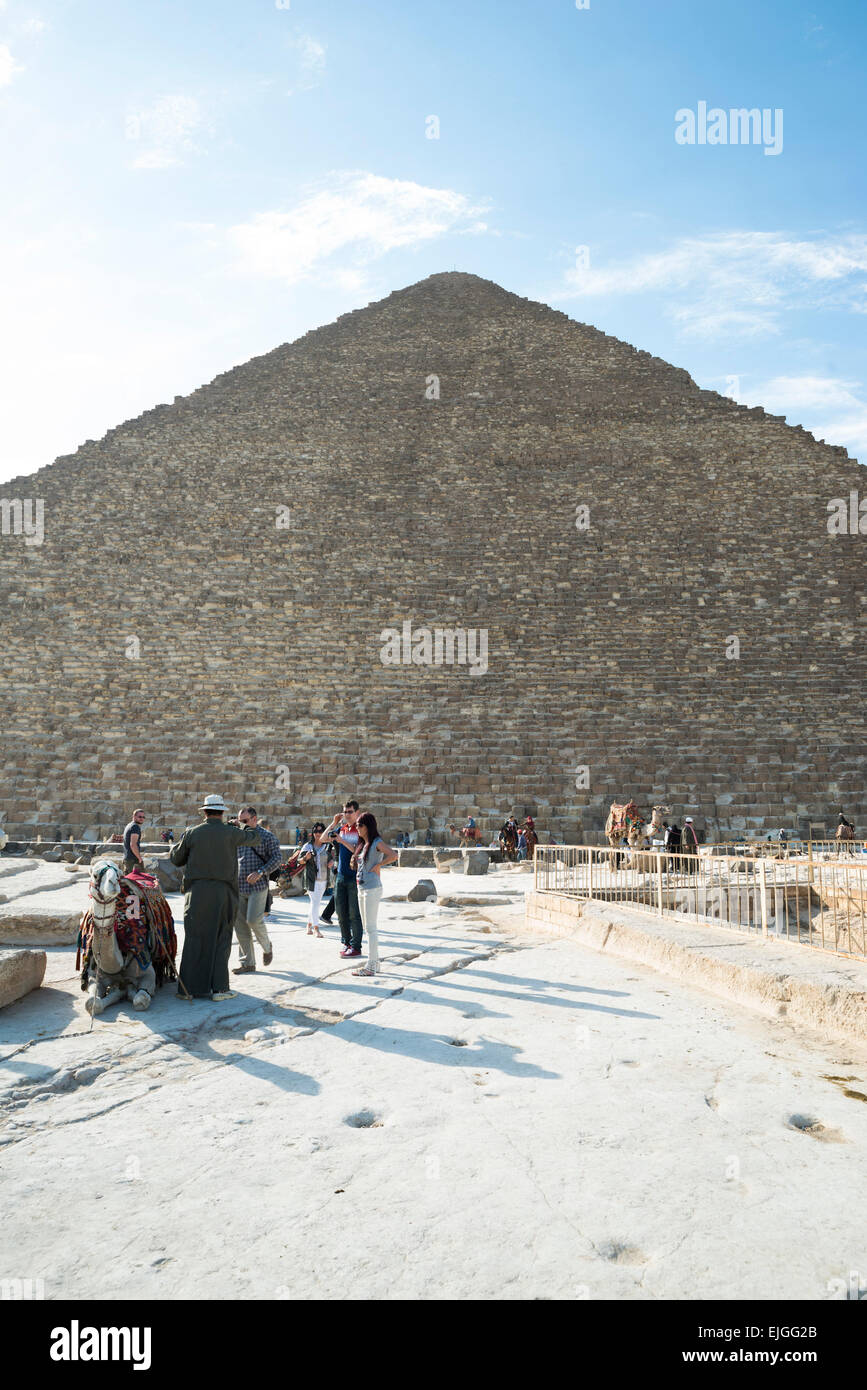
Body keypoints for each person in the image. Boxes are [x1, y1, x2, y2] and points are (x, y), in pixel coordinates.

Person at [169, 794, 264, 1000]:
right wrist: (243, 825)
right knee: (222, 938)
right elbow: (255, 838)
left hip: (197, 894)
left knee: (195, 939)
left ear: (204, 812)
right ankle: (219, 989)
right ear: (222, 812)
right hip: (224, 893)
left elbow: (175, 858)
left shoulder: (192, 833)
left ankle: (188, 989)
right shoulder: (231, 832)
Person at [233, 806, 283, 973]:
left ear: (255, 819)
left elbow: (277, 858)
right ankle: (247, 962)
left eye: (245, 821)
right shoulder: (238, 837)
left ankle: (267, 947)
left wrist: (261, 872)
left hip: (258, 886)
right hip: (239, 885)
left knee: (253, 920)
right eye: (240, 822)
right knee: (240, 926)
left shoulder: (267, 837)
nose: (242, 825)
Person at [349, 812, 398, 977]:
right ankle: (375, 963)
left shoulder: (376, 842)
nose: (357, 828)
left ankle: (370, 965)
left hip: (372, 889)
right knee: (367, 928)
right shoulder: (363, 843)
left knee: (371, 929)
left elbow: (394, 855)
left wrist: (379, 865)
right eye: (356, 825)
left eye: (359, 825)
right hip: (362, 887)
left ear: (367, 826)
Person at [324, 800, 363, 957]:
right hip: (340, 876)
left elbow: (358, 851)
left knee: (354, 914)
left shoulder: (361, 829)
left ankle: (356, 946)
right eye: (345, 812)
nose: (347, 814)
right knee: (341, 913)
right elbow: (323, 839)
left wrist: (341, 841)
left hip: (354, 877)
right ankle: (346, 943)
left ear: (357, 813)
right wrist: (333, 823)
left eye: (350, 812)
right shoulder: (342, 828)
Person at [297, 822, 329, 937]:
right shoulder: (308, 846)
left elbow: (333, 858)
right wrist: (306, 857)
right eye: (315, 831)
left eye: (320, 831)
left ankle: (308, 925)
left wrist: (331, 862)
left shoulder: (327, 846)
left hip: (324, 879)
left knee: (315, 903)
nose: (318, 833)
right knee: (315, 903)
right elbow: (299, 861)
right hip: (312, 880)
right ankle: (316, 928)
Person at [122, 809, 146, 875]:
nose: (142, 819)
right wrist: (139, 858)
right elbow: (133, 845)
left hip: (127, 859)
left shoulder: (129, 825)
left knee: (127, 883)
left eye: (143, 817)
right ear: (134, 816)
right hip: (133, 860)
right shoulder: (135, 827)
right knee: (140, 881)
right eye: (140, 817)